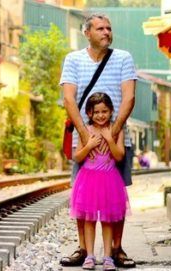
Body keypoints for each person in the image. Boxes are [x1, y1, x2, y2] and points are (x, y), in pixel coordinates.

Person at [59, 12, 137, 268]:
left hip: (114, 137)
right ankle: (84, 250)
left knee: (116, 196)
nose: (106, 32)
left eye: (109, 28)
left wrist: (112, 133)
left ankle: (116, 249)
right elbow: (69, 99)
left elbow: (129, 98)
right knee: (83, 197)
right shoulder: (73, 60)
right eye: (100, 28)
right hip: (85, 137)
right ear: (87, 33)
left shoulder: (124, 58)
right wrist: (85, 134)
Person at [70, 92, 130, 270]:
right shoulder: (85, 131)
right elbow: (77, 157)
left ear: (111, 111)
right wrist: (89, 145)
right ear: (89, 113)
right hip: (88, 180)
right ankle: (89, 255)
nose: (100, 115)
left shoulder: (116, 130)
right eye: (96, 112)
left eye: (104, 111)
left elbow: (119, 156)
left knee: (107, 219)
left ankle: (108, 257)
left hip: (110, 180)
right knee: (88, 219)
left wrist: (109, 138)